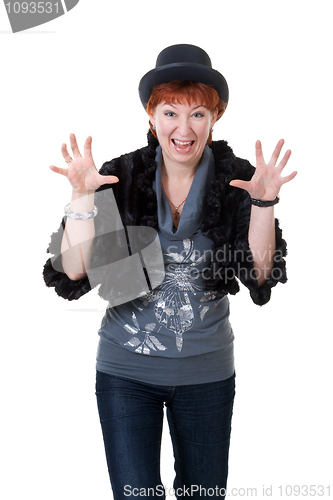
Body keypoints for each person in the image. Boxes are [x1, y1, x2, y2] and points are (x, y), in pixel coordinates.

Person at [43, 44, 297, 499]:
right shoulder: (119, 175)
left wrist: (263, 203)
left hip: (207, 374)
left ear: (214, 119)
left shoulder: (238, 178)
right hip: (125, 371)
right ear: (150, 115)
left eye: (198, 114)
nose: (184, 129)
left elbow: (259, 275)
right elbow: (74, 273)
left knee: (203, 494)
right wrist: (82, 198)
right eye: (170, 112)